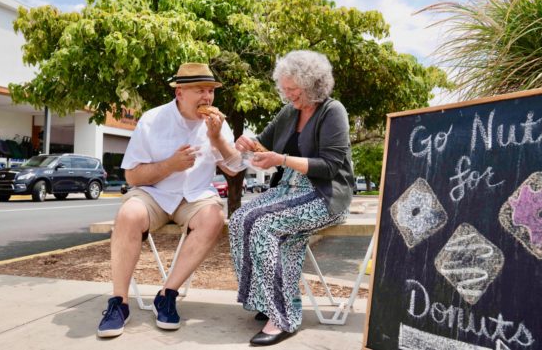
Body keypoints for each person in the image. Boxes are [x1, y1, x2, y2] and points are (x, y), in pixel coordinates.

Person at [97, 62, 239, 338]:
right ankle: (119, 302)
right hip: (154, 194)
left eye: (210, 90)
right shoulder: (152, 120)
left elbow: (234, 168)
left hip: (194, 196)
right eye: (200, 90)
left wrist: (217, 138)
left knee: (214, 218)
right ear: (179, 93)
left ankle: (167, 294)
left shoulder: (217, 124)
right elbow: (132, 176)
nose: (207, 97)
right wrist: (170, 165)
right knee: (127, 215)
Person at [230, 50, 354, 346]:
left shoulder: (332, 111)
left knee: (262, 226)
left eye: (293, 90)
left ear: (313, 85)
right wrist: (248, 144)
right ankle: (265, 300)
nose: (288, 96)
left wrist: (282, 159)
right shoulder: (289, 112)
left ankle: (282, 317)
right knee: (238, 220)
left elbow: (330, 167)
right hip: (287, 190)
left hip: (324, 194)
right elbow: (264, 146)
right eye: (284, 89)